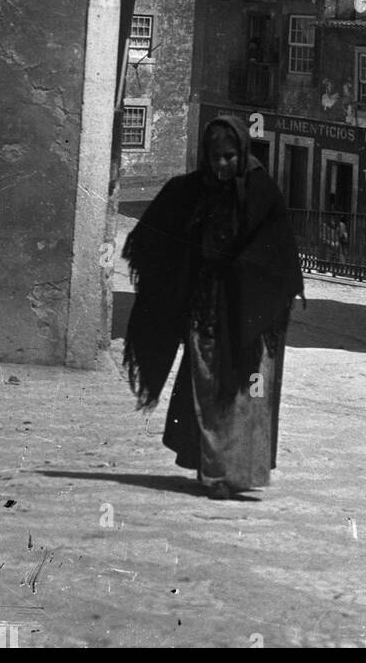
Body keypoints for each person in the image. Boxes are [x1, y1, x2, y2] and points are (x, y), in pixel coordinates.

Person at [122, 114, 304, 500]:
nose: (222, 165)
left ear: (241, 153)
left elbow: (279, 254)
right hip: (207, 308)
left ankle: (242, 471)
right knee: (208, 387)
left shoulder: (261, 192)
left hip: (248, 314)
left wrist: (243, 271)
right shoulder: (194, 191)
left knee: (244, 393)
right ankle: (215, 473)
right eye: (215, 157)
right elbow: (158, 234)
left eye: (229, 156)